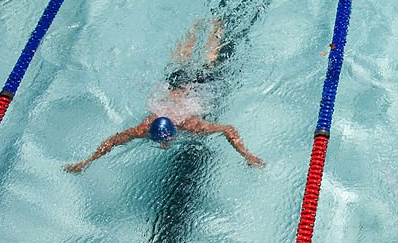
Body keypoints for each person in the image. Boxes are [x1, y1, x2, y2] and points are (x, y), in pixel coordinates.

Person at [64, 18, 265, 173]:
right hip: (176, 83)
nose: (162, 146)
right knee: (181, 59)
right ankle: (199, 25)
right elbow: (111, 141)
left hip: (196, 84)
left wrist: (247, 155)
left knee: (209, 57)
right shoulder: (144, 127)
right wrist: (85, 163)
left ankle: (213, 24)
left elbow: (228, 129)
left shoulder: (190, 124)